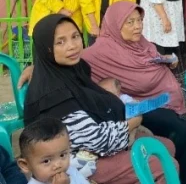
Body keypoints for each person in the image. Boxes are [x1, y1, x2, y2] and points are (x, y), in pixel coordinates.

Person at [21, 13, 177, 184]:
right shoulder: (53, 95)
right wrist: (133, 122)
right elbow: (98, 140)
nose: (72, 46)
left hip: (102, 142)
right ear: (46, 49)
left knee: (166, 146)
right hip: (78, 162)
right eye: (60, 42)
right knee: (161, 165)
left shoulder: (74, 70)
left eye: (75, 37)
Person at [81, 1, 186, 184]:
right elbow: (71, 60)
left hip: (167, 97)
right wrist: (34, 69)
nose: (138, 26)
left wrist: (166, 59)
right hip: (140, 104)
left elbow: (153, 59)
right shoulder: (100, 51)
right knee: (182, 129)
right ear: (115, 25)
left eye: (139, 20)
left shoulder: (141, 43)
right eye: (130, 22)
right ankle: (182, 177)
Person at [17, 118, 89, 184]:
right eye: (46, 161)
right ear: (25, 165)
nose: (58, 165)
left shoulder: (70, 170)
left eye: (62, 155)